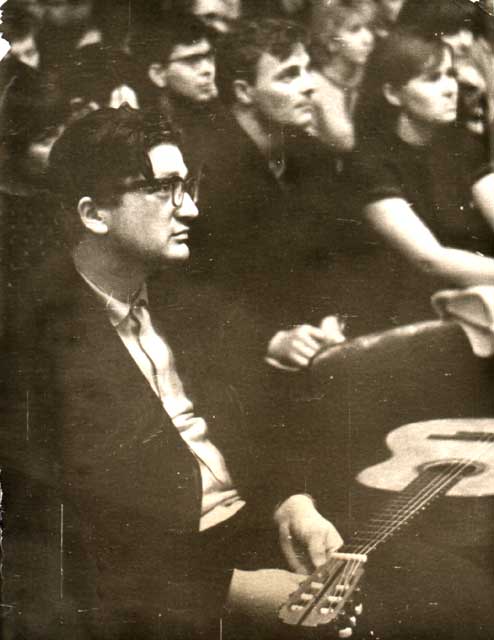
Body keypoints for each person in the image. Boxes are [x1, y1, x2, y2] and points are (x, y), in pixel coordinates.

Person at [1, 105, 344, 640]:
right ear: (94, 214)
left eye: (187, 186)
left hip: (247, 531)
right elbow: (62, 542)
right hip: (161, 586)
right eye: (163, 190)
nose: (191, 209)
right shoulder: (29, 339)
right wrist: (232, 592)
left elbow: (258, 427)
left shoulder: (186, 297)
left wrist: (292, 503)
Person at [191, 17, 346, 375]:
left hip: (316, 341)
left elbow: (335, 254)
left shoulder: (313, 153)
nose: (309, 86)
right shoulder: (202, 167)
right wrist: (270, 340)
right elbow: (187, 289)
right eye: (289, 75)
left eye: (307, 70)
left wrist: (332, 316)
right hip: (231, 357)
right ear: (244, 92)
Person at [348, 29, 494, 328]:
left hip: (477, 289)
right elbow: (429, 259)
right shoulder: (369, 162)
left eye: (450, 75)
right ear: (393, 94)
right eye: (432, 78)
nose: (450, 89)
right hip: (411, 308)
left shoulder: (462, 144)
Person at [131, 11, 220, 171]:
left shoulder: (220, 123)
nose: (207, 69)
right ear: (158, 74)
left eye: (209, 56)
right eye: (192, 60)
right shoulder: (141, 138)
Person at [309, 0, 376, 153]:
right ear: (331, 41)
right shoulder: (312, 86)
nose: (368, 39)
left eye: (370, 28)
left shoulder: (373, 79)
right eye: (354, 30)